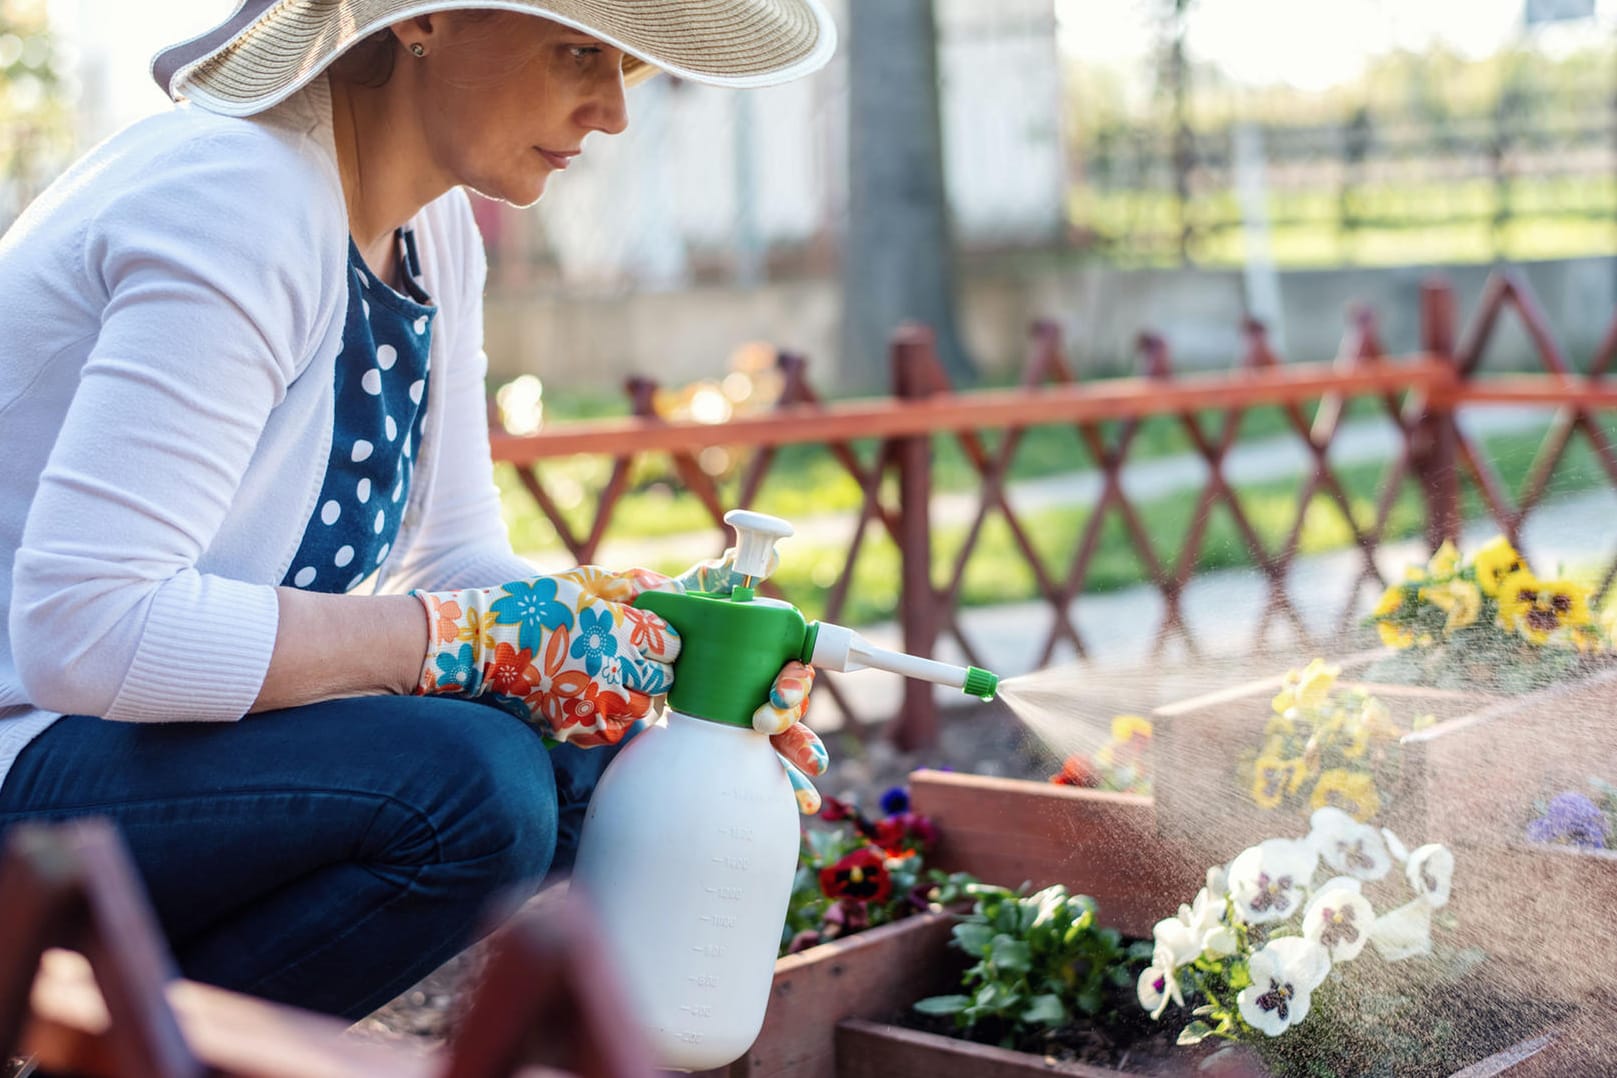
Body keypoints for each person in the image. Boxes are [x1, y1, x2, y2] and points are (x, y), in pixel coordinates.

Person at [0, 0, 837, 1021]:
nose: (613, 111)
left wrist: (650, 637)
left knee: (599, 758)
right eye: (579, 50)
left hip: (119, 761)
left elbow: (455, 555)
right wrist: (462, 640)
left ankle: (115, 1037)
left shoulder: (431, 226)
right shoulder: (236, 194)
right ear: (425, 19)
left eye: (629, 66)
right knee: (468, 791)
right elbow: (83, 630)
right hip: (29, 744)